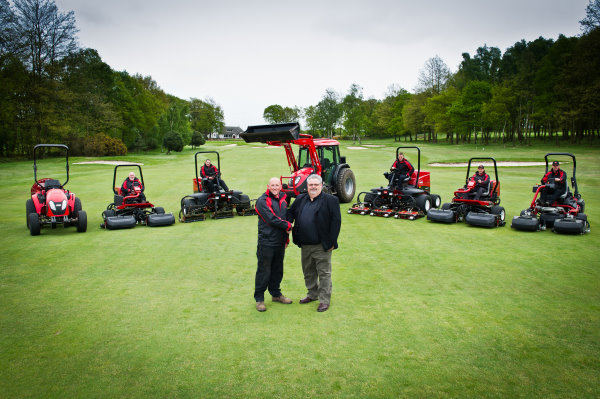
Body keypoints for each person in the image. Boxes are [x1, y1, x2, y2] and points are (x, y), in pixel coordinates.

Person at [287, 174, 341, 312]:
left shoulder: (331, 200)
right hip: (304, 244)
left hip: (322, 245)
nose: (313, 187)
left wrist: (332, 242)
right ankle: (312, 294)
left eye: (316, 185)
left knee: (324, 273)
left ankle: (324, 300)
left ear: (321, 185)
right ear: (307, 186)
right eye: (311, 185)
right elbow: (290, 214)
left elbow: (336, 222)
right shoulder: (300, 199)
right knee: (308, 272)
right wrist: (282, 223)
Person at [253, 177, 293, 312]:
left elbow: (285, 216)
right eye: (273, 185)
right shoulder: (262, 201)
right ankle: (259, 299)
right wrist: (287, 225)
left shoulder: (283, 198)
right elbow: (271, 219)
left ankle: (276, 294)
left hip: (280, 242)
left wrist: (286, 238)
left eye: (277, 185)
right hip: (267, 242)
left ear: (281, 186)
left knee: (278, 270)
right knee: (264, 271)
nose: (275, 187)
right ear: (268, 186)